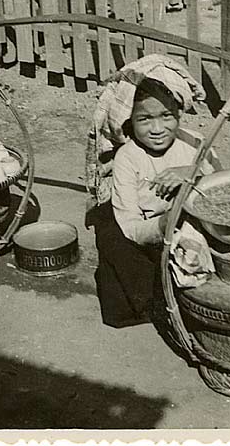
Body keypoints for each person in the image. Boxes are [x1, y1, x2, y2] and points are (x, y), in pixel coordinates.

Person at [85, 55, 210, 328]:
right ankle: (152, 304)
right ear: (130, 121)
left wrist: (191, 174)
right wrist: (162, 227)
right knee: (110, 235)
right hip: (148, 228)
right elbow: (130, 224)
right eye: (145, 119)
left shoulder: (194, 145)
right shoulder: (128, 157)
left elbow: (220, 191)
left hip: (192, 225)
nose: (156, 129)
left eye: (166, 116)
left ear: (178, 113)